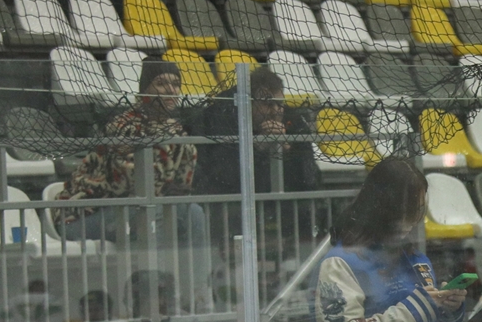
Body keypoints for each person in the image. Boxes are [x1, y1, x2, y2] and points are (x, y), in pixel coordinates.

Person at [59, 60, 205, 269]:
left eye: (175, 84)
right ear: (145, 89)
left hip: (136, 210)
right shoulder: (124, 126)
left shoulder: (176, 131)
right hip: (85, 217)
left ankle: (196, 291)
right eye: (161, 83)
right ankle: (154, 286)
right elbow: (135, 185)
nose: (170, 90)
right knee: (151, 212)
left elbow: (181, 186)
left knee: (193, 213)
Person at [314, 157, 467, 322]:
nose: (410, 222)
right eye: (403, 212)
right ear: (379, 208)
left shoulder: (416, 260)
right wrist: (416, 310)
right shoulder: (339, 264)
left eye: (416, 211)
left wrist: (448, 308)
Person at [192, 66, 318, 200]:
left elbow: (312, 179)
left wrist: (288, 151)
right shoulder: (225, 122)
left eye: (279, 104)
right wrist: (257, 147)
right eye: (268, 104)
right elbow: (221, 177)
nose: (275, 111)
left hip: (288, 208)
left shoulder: (295, 123)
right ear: (250, 104)